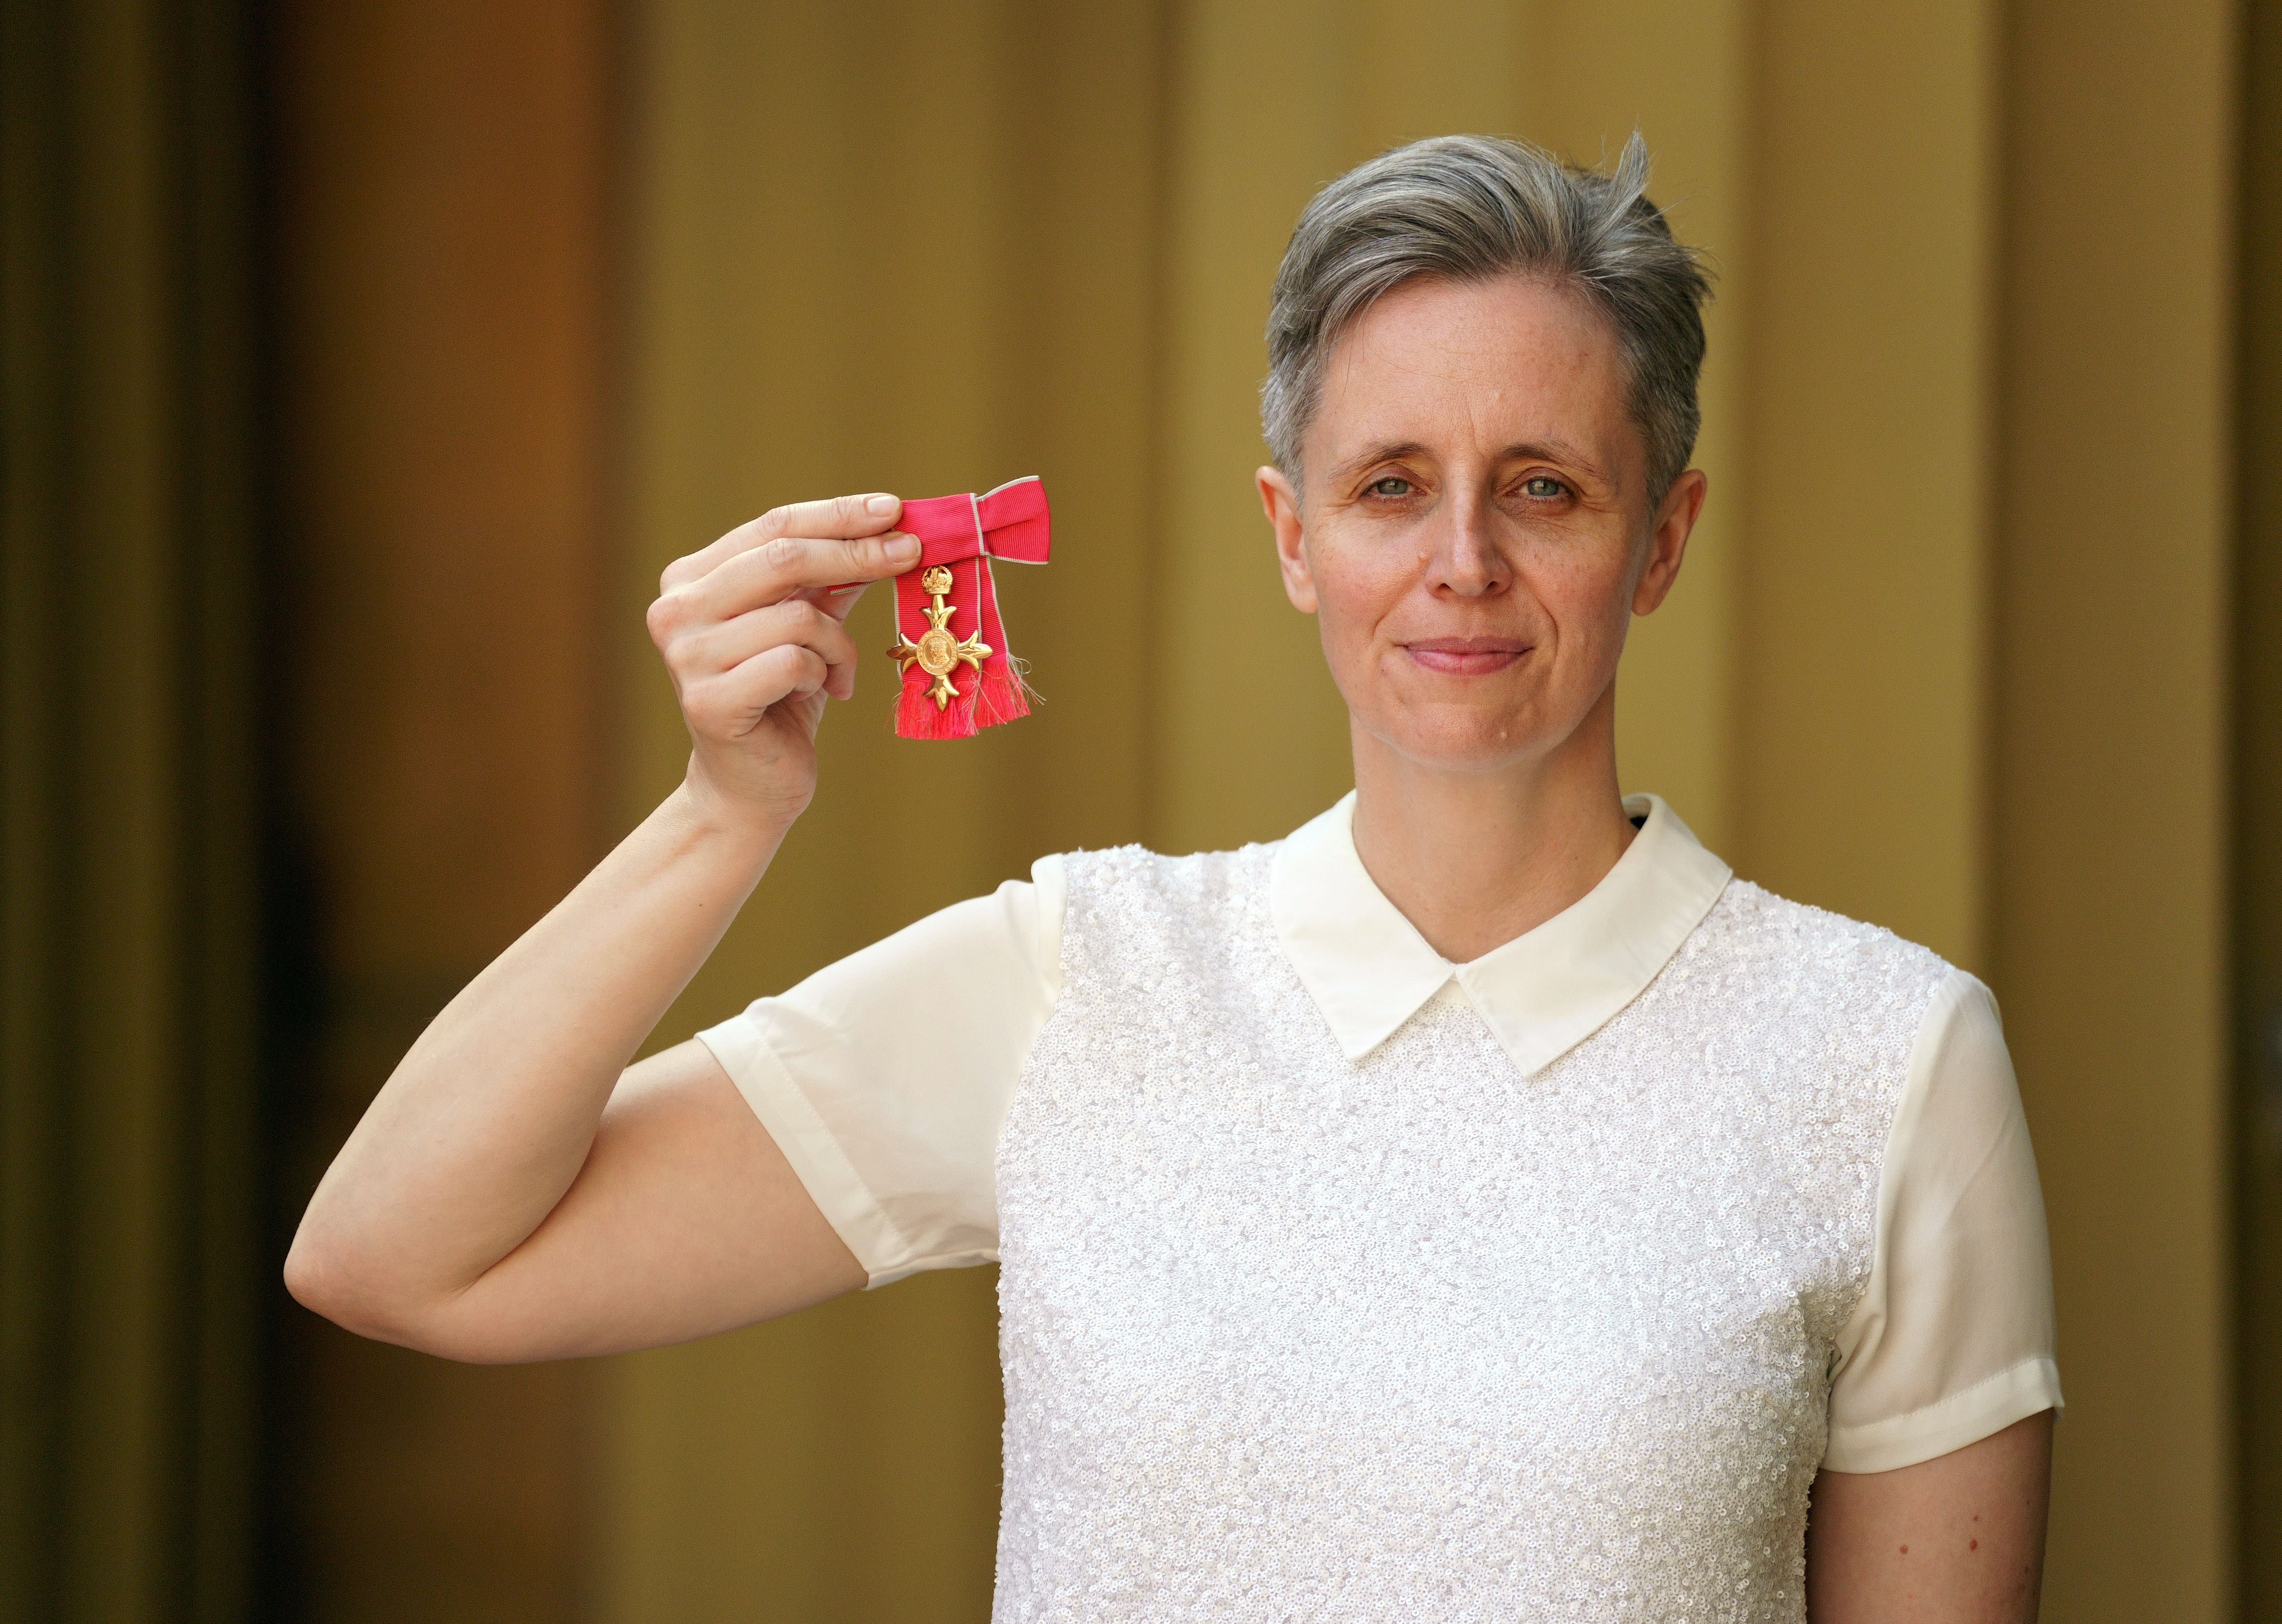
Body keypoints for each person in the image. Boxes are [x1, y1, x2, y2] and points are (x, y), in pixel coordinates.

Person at [287, 133, 2062, 1621]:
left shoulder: (1886, 1060)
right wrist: (716, 813)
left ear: (1655, 538)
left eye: (1540, 487)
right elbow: (398, 1253)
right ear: (1292, 536)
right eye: (1386, 485)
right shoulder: (1077, 979)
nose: (1459, 561)